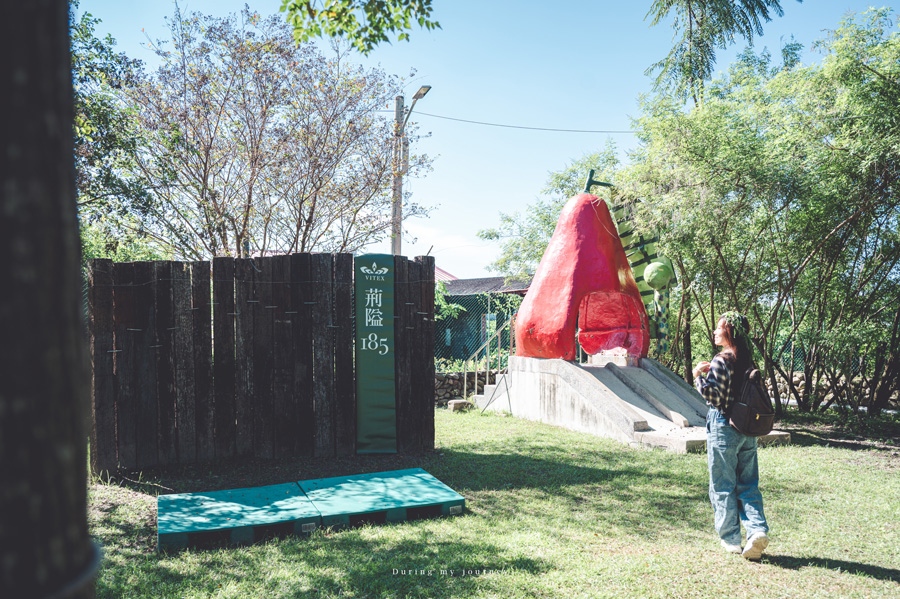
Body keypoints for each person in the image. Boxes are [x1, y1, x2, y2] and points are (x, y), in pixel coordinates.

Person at [693, 311, 769, 560]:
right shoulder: (748, 359)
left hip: (724, 427)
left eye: (719, 328)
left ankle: (731, 540)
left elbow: (716, 398)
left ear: (730, 332)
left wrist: (698, 378)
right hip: (747, 429)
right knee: (748, 485)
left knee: (723, 486)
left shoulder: (721, 359)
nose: (715, 332)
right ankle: (757, 531)